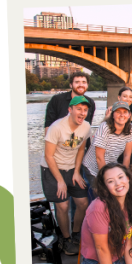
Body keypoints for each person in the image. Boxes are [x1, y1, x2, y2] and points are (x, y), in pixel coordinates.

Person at [41, 95, 92, 255]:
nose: (82, 113)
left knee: (83, 203)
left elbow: (81, 149)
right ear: (70, 110)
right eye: (79, 109)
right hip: (52, 168)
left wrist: (76, 172)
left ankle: (76, 234)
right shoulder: (57, 127)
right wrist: (60, 181)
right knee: (63, 205)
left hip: (71, 168)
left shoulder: (86, 126)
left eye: (85, 110)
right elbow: (48, 156)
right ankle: (66, 237)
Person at [82, 101, 132, 201]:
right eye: (118, 112)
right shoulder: (105, 127)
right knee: (101, 195)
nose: (122, 115)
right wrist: (106, 179)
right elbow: (99, 158)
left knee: (117, 193)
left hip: (111, 165)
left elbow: (127, 155)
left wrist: (123, 175)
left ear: (129, 115)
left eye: (125, 112)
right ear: (113, 115)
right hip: (93, 167)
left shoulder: (130, 129)